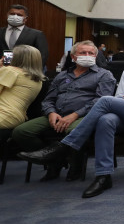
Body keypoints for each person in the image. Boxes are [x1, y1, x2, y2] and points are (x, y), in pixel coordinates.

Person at [20, 37, 124, 198]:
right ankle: (103, 176)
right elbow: (118, 97)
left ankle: (65, 146)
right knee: (106, 120)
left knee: (105, 100)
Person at [11, 40, 115, 182]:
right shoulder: (62, 76)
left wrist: (74, 115)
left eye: (91, 53)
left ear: (96, 56)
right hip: (56, 114)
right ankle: (55, 161)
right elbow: (48, 99)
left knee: (73, 131)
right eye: (83, 53)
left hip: (83, 115)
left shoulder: (104, 75)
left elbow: (101, 101)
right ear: (73, 57)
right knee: (21, 131)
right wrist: (51, 113)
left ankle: (75, 166)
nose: (87, 55)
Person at [0, 45, 44, 130]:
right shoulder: (38, 79)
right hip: (17, 118)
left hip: (3, 114)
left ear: (17, 58)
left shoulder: (9, 71)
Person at [2, 4, 49, 70]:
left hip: (26, 72)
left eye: (19, 15)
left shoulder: (36, 34)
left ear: (25, 18)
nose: (15, 17)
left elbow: (42, 56)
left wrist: (34, 72)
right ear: (7, 15)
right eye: (12, 14)